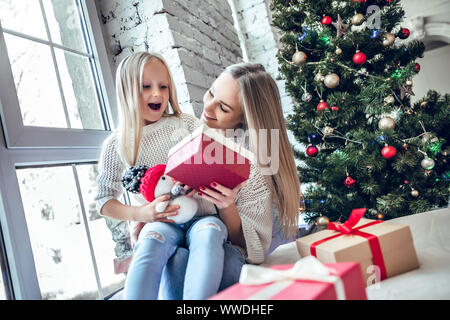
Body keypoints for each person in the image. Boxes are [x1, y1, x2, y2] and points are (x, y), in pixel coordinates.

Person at [95, 51, 236, 300]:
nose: (157, 94)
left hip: (202, 217)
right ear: (126, 92)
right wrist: (141, 214)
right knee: (149, 244)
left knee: (211, 232)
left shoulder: (186, 124)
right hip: (160, 223)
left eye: (163, 86)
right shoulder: (115, 144)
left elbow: (217, 160)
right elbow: (104, 202)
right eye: (146, 87)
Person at [160, 62, 302, 299]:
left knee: (216, 257)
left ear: (243, 121)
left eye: (223, 108)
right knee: (176, 261)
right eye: (212, 92)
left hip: (227, 251)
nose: (208, 107)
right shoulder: (188, 134)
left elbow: (248, 248)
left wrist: (228, 207)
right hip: (183, 240)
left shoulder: (253, 167)